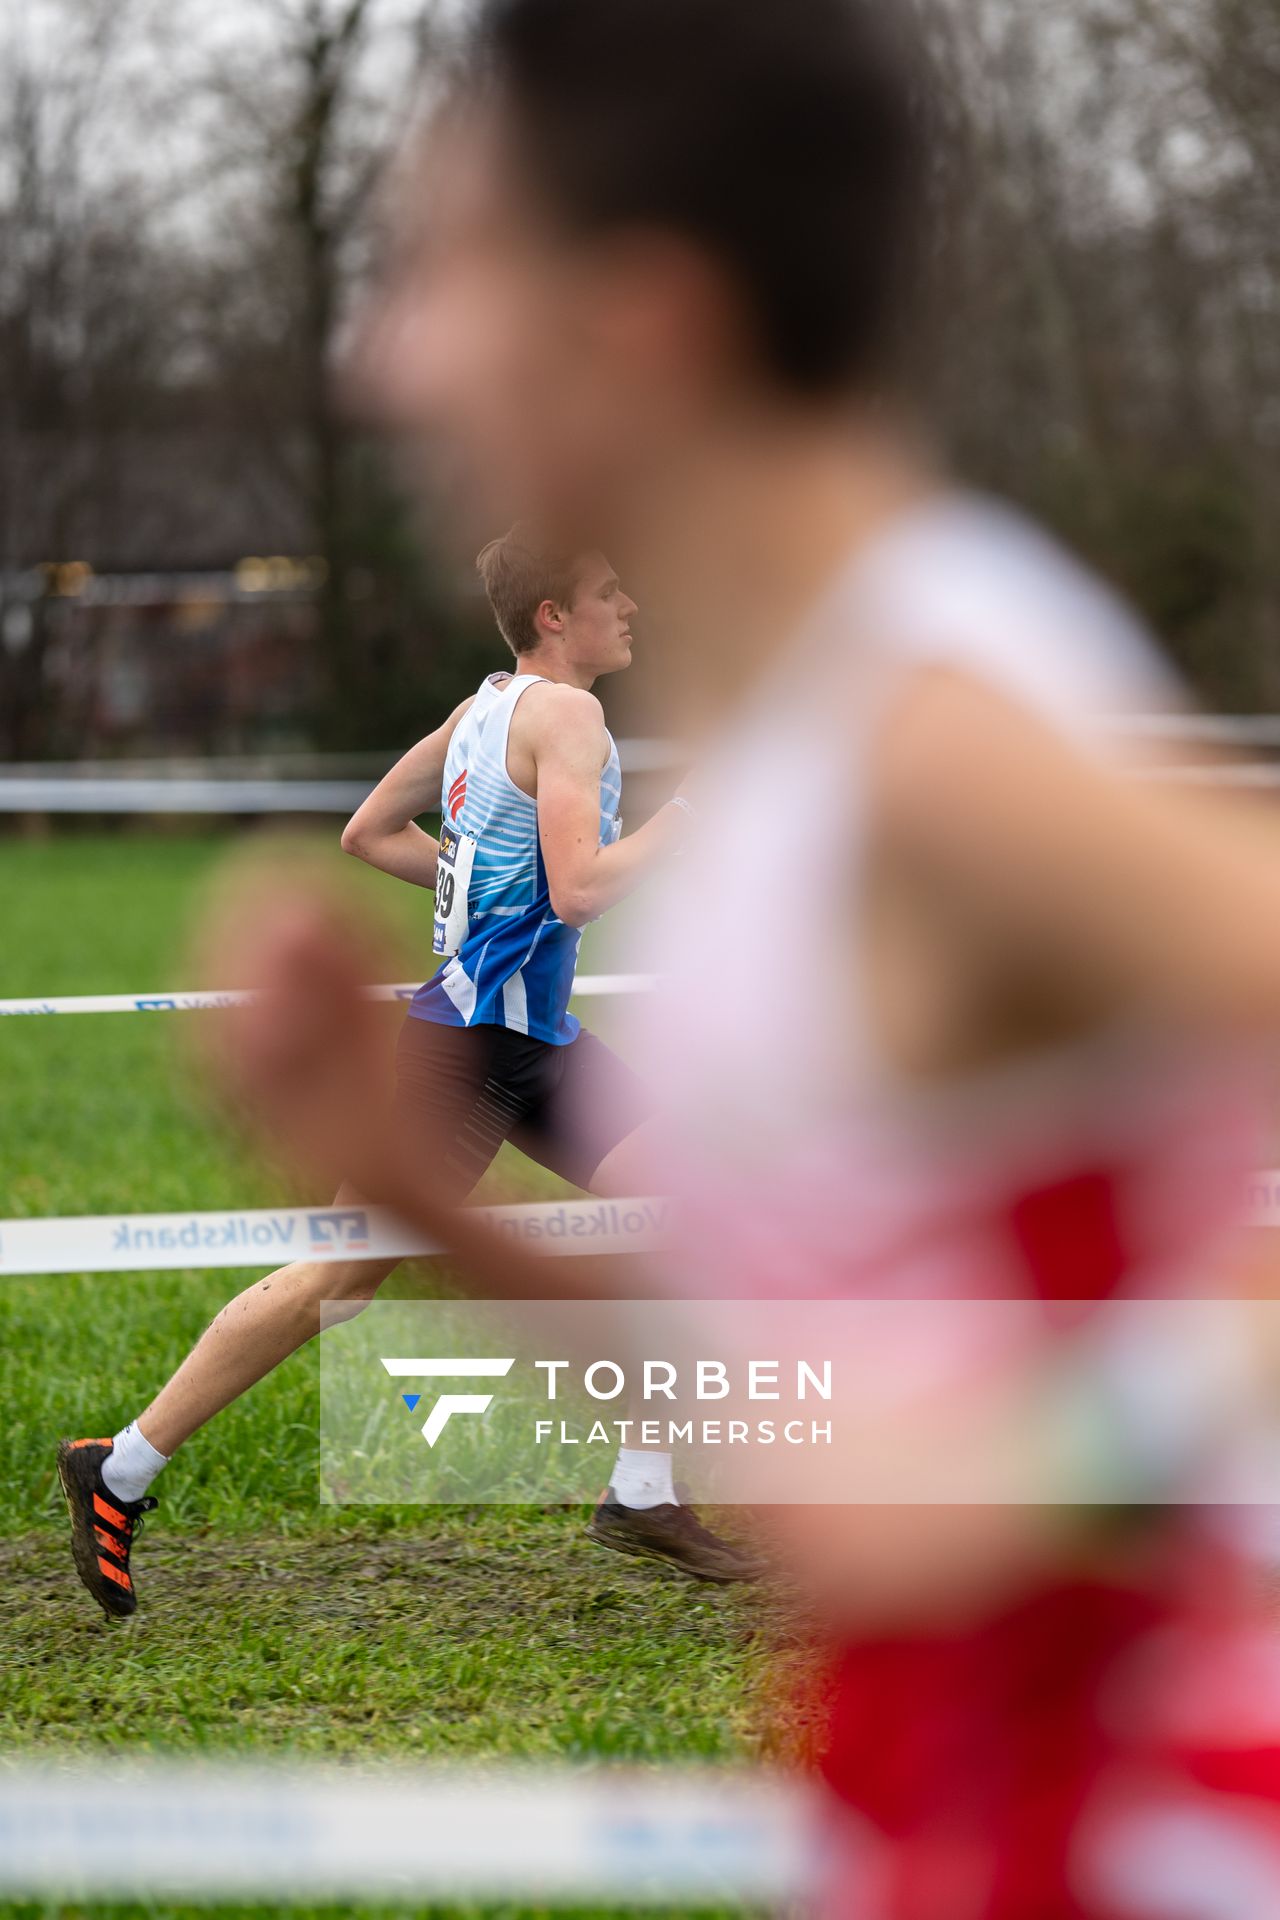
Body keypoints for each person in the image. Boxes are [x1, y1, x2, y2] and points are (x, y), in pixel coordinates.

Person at [199, 3, 1280, 1915]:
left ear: (644, 318)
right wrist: (403, 1186)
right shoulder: (805, 727)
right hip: (934, 1827)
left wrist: (1054, 1472)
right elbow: (795, 1385)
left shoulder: (937, 742)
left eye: (446, 269)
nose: (389, 356)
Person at [56, 525, 760, 1622]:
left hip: (537, 1044)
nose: (631, 605)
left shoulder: (479, 710)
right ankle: (122, 1466)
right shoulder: (569, 716)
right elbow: (577, 892)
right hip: (470, 1052)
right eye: (609, 591)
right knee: (336, 1284)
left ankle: (641, 1489)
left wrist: (478, 896)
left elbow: (368, 832)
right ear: (553, 619)